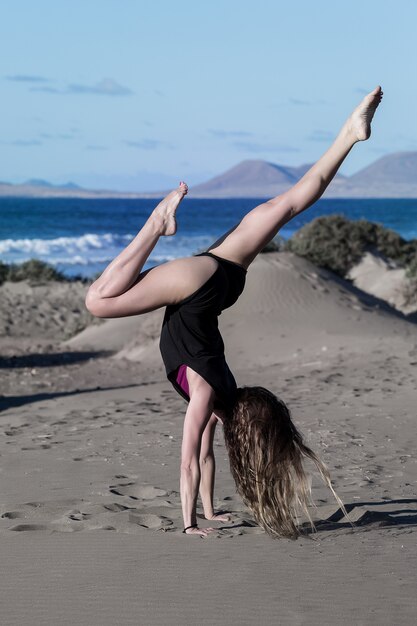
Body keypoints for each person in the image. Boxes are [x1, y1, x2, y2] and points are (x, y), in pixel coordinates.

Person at [85, 86, 383, 538]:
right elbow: (187, 460)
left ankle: (349, 134)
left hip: (225, 280)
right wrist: (185, 526)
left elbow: (202, 454)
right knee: (97, 303)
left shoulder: (222, 391)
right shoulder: (207, 393)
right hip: (197, 288)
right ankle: (156, 223)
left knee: (285, 206)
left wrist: (207, 514)